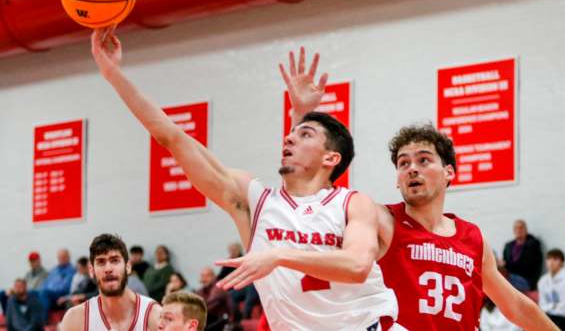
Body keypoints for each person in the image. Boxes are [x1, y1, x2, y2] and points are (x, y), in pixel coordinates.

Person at [93, 34, 397, 330]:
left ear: (331, 159)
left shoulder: (353, 203)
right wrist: (112, 73)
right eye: (292, 133)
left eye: (305, 135)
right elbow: (170, 135)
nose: (289, 137)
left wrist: (278, 255)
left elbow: (357, 266)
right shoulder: (255, 202)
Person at [374, 124, 558, 330]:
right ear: (397, 180)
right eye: (403, 163)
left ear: (448, 172)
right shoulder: (382, 221)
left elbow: (515, 306)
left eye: (423, 160)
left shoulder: (472, 238)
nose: (412, 169)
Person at [59, 233, 160, 331]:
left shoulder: (153, 314)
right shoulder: (75, 319)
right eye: (101, 262)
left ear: (128, 266)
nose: (108, 269)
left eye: (115, 260)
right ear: (91, 270)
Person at [502, 220, 543, 293]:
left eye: (521, 228)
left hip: (526, 280)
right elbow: (505, 264)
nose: (518, 230)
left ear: (526, 230)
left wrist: (506, 265)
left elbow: (529, 267)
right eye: (516, 228)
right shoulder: (508, 246)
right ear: (513, 231)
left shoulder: (533, 245)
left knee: (500, 279)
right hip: (509, 277)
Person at [537, 249, 565, 330]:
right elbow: (541, 306)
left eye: (555, 259)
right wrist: (553, 305)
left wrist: (549, 307)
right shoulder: (542, 280)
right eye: (549, 259)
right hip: (546, 316)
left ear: (562, 262)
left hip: (561, 319)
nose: (551, 262)